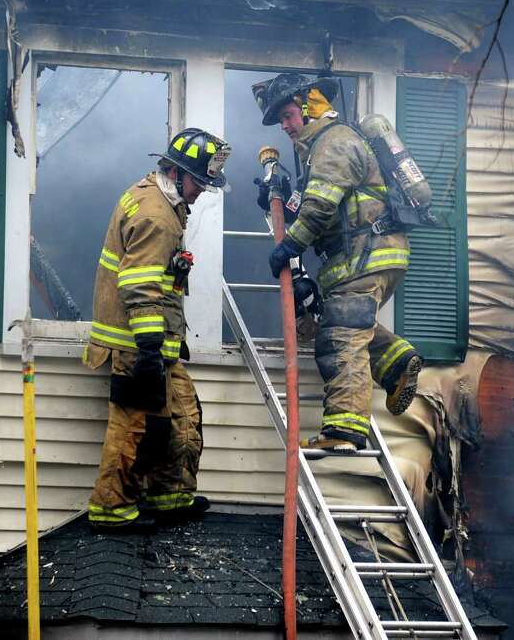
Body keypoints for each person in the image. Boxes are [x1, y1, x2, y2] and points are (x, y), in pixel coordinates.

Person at [254, 73, 424, 453]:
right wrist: (275, 197)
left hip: (364, 255)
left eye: (287, 115)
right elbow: (312, 203)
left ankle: (344, 430)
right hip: (368, 257)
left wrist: (289, 247)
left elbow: (320, 207)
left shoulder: (333, 142)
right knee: (346, 321)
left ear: (309, 104)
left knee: (340, 339)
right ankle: (397, 363)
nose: (285, 126)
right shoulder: (325, 148)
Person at [84, 127, 231, 531]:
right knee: (133, 427)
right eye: (199, 181)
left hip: (157, 343)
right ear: (177, 172)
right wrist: (150, 347)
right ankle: (110, 509)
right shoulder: (155, 214)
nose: (201, 190)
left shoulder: (165, 200)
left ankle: (170, 496)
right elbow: (139, 285)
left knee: (183, 416)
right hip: (136, 345)